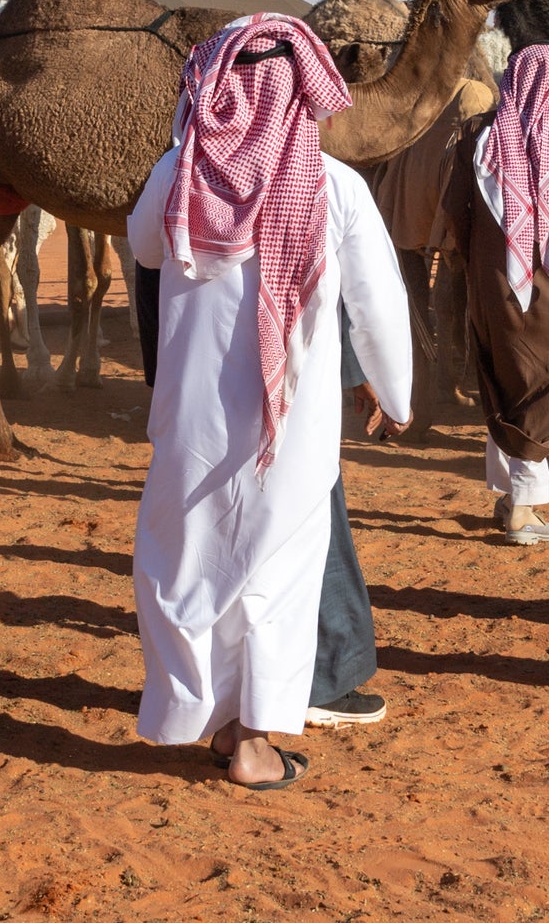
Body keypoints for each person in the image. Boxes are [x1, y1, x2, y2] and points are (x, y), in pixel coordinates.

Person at [128, 15, 415, 790]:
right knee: (273, 574)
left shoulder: (177, 172)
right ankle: (252, 745)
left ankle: (214, 723)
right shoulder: (332, 184)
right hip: (290, 424)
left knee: (192, 563)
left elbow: (145, 249)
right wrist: (396, 393)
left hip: (191, 419)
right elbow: (379, 304)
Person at [133, 268, 398, 733]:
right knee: (297, 528)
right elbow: (361, 271)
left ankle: (215, 699)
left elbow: (148, 243)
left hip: (200, 379)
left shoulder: (177, 189)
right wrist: (383, 380)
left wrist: (166, 369)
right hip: (286, 380)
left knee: (214, 537)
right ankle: (317, 683)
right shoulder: (316, 190)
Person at [444, 44, 549, 545]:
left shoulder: (479, 134)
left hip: (494, 285)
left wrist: (471, 263)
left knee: (504, 379)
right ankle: (524, 511)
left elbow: (455, 212)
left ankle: (514, 496)